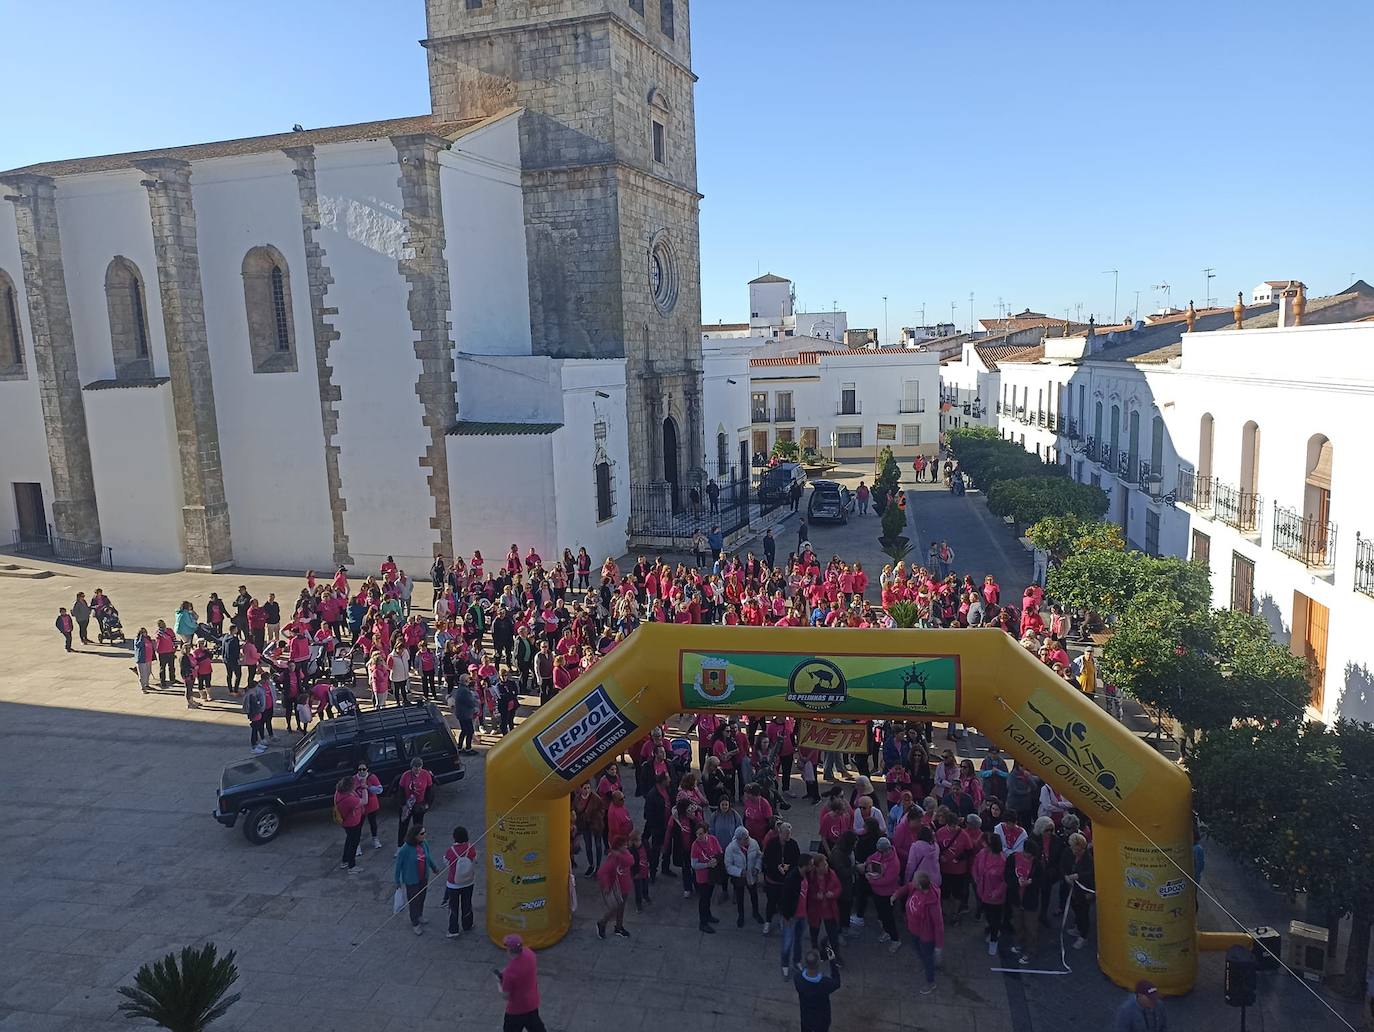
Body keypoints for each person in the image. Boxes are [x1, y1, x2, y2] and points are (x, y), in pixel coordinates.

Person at [394, 827, 440, 935]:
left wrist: (434, 868)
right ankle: (415, 923)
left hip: (423, 876)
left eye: (424, 832)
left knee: (422, 897)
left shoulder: (424, 844)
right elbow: (398, 866)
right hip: (411, 879)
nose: (425, 835)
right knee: (414, 901)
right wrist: (397, 881)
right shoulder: (405, 849)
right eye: (422, 833)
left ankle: (420, 915)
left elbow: (428, 857)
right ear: (415, 836)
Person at [497, 934, 546, 1032]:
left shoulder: (510, 972)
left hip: (516, 1010)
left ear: (509, 950)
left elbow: (505, 996)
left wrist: (498, 983)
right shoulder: (530, 954)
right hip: (532, 1003)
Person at [793, 947, 842, 1032]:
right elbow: (837, 982)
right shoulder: (825, 983)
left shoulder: (798, 978)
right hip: (822, 1020)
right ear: (818, 964)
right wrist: (832, 961)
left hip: (806, 1018)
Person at [724, 825, 764, 928]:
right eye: (745, 839)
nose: (747, 840)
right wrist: (740, 872)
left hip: (751, 875)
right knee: (740, 897)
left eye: (747, 837)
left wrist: (757, 867)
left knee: (754, 895)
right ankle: (741, 915)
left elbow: (759, 856)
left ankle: (756, 913)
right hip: (739, 878)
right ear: (738, 839)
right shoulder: (731, 849)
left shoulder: (753, 843)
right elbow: (728, 866)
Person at [595, 835, 633, 939]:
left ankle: (619, 927)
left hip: (625, 886)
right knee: (615, 908)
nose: (626, 846)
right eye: (623, 845)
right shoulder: (612, 859)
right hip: (616, 887)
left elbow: (631, 861)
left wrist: (620, 855)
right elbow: (602, 872)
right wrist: (606, 885)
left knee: (621, 908)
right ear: (618, 846)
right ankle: (602, 922)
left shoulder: (625, 854)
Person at [444, 825, 478, 938]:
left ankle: (453, 930)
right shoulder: (471, 848)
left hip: (453, 883)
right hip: (468, 882)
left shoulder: (450, 850)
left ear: (454, 837)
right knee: (467, 904)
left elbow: (446, 861)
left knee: (453, 907)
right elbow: (474, 859)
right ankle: (467, 925)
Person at [690, 823, 724, 933]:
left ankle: (708, 915)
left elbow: (720, 852)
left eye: (701, 834)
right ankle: (703, 922)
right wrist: (707, 865)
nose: (699, 836)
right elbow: (694, 864)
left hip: (712, 875)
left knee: (708, 897)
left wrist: (716, 860)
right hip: (702, 877)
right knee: (703, 900)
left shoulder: (713, 839)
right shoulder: (695, 846)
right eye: (697, 834)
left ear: (706, 833)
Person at [396, 757, 433, 847]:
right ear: (411, 767)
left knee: (418, 827)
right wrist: (403, 804)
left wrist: (427, 804)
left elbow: (430, 791)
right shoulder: (406, 775)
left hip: (419, 805)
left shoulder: (426, 774)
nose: (418, 769)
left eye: (420, 767)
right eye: (416, 767)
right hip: (407, 805)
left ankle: (417, 845)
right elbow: (400, 791)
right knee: (403, 826)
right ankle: (400, 846)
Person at [333, 775, 366, 873]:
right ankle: (352, 866)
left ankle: (345, 860)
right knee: (354, 843)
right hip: (352, 823)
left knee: (349, 840)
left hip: (346, 822)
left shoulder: (338, 792)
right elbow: (364, 801)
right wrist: (364, 788)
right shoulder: (349, 799)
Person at [131, 627, 155, 692]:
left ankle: (147, 684)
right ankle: (143, 687)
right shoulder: (137, 639)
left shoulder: (148, 638)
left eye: (145, 632)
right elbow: (138, 645)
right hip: (141, 659)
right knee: (142, 674)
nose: (144, 633)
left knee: (148, 672)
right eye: (142, 632)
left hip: (148, 658)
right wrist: (141, 638)